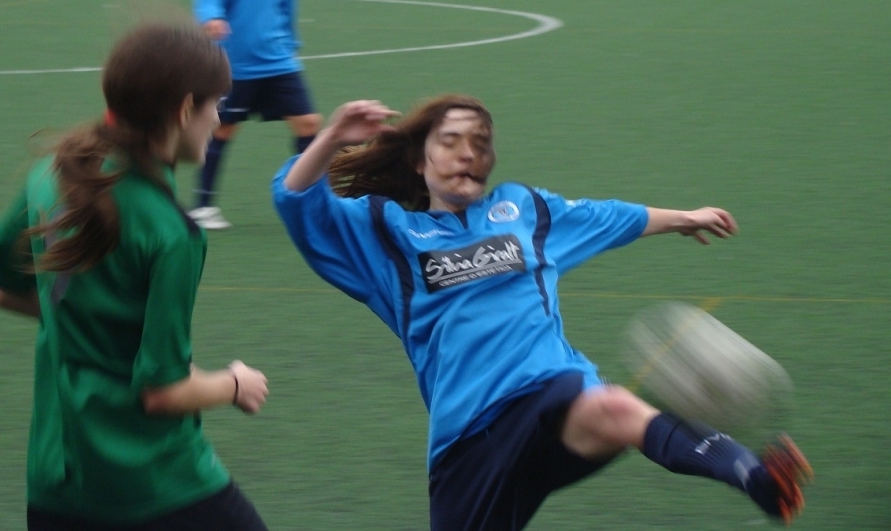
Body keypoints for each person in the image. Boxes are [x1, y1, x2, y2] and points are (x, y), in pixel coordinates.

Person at [271, 96, 814, 530]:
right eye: (451, 141)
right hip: (470, 437)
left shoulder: (521, 210)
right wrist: (332, 137)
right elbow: (296, 201)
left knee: (616, 406)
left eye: (480, 143)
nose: (468, 153)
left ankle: (754, 477)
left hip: (551, 389)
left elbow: (604, 216)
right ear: (419, 161)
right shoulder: (387, 234)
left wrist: (683, 218)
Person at [0, 22, 271, 531]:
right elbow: (164, 392)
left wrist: (86, 320)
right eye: (215, 105)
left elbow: (3, 291)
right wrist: (236, 384)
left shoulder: (53, 173)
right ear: (184, 110)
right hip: (156, 483)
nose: (218, 119)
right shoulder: (171, 233)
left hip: (57, 479)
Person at [189, 0, 323, 230]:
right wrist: (211, 15)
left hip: (278, 57)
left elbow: (287, 0)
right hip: (236, 60)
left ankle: (311, 205)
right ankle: (203, 206)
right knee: (223, 128)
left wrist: (290, 40)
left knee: (308, 122)